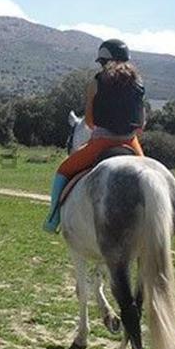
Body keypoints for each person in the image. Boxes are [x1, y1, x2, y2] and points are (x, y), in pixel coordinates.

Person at [44, 39, 146, 232]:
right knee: (148, 174)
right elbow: (141, 123)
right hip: (131, 142)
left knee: (63, 170)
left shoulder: (97, 82)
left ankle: (53, 218)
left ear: (104, 61)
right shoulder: (138, 83)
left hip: (102, 142)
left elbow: (90, 122)